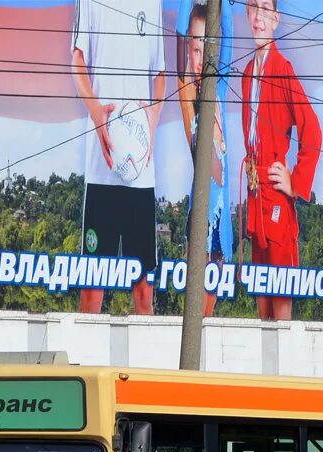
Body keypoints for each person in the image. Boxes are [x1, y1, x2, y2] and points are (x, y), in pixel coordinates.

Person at [71, 0, 164, 315]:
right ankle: (88, 363)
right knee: (92, 288)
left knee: (143, 293)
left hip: (141, 172)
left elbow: (160, 73)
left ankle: (142, 364)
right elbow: (77, 60)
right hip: (103, 169)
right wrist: (96, 111)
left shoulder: (153, 4)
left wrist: (153, 116)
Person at [241, 0, 322, 321]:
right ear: (246, 13)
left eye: (265, 8)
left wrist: (295, 182)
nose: (258, 16)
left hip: (276, 198)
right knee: (262, 301)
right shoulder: (248, 73)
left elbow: (312, 132)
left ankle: (284, 367)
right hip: (254, 195)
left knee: (280, 299)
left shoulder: (283, 70)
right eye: (252, 7)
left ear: (276, 18)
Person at [177, 0, 232, 317]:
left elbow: (227, 33)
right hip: (202, 216)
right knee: (199, 308)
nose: (201, 59)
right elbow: (178, 34)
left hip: (223, 220)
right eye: (195, 50)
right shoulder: (187, 95)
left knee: (211, 312)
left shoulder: (219, 90)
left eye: (206, 49)